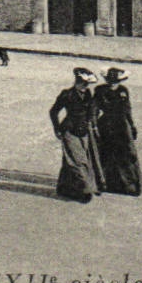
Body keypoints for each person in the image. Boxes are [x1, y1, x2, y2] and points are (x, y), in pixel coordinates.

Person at [49, 67, 103, 202]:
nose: (85, 86)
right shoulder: (67, 94)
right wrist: (57, 129)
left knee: (73, 159)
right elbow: (53, 111)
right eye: (82, 83)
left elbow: (94, 111)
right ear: (77, 81)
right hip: (69, 130)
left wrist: (93, 123)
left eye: (87, 84)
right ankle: (86, 189)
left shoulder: (90, 95)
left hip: (84, 131)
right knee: (78, 161)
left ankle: (65, 187)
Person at [94, 67, 142, 196]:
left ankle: (128, 185)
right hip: (106, 125)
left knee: (126, 154)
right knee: (105, 153)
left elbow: (127, 109)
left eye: (115, 81)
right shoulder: (100, 90)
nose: (113, 83)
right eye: (111, 80)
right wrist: (94, 126)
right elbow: (95, 109)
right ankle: (105, 183)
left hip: (122, 125)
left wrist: (132, 126)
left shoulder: (123, 90)